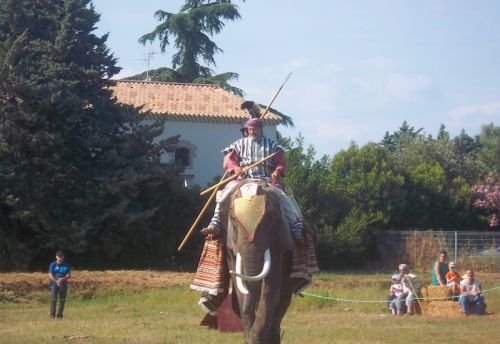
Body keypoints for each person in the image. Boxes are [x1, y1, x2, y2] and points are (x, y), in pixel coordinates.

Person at [191, 101, 316, 315]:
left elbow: (281, 163)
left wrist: (277, 171)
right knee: (224, 195)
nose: (253, 130)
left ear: (261, 128)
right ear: (246, 129)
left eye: (256, 128)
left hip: (267, 181)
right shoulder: (238, 144)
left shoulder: (272, 144)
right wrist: (236, 168)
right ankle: (214, 224)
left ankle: (295, 225)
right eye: (250, 128)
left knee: (283, 197)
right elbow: (229, 163)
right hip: (243, 180)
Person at [48, 250, 71, 319]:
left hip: (63, 284)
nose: (60, 258)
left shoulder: (66, 265)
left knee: (62, 300)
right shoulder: (52, 265)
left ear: (63, 257)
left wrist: (62, 279)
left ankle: (59, 315)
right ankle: (52, 315)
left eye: (61, 256)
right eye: (59, 256)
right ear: (56, 257)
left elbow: (69, 275)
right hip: (54, 285)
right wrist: (56, 281)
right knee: (53, 299)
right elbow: (50, 274)